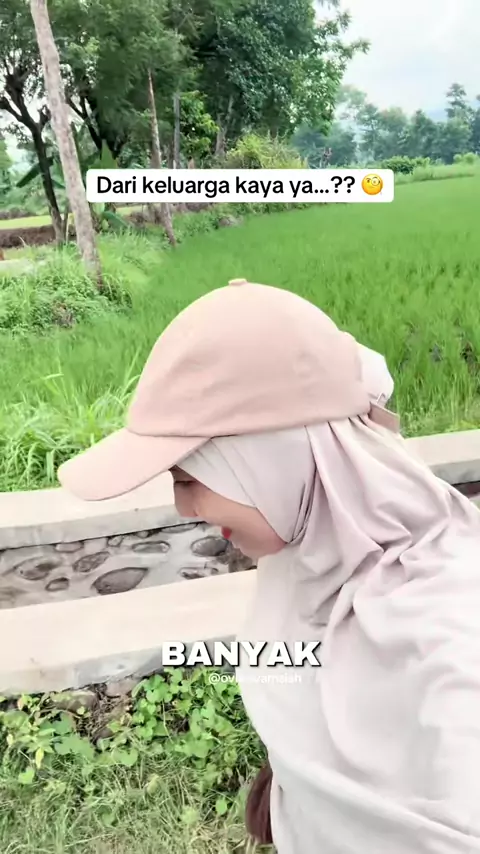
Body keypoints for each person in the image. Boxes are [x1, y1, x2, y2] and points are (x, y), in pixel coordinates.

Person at [59, 279, 480, 854]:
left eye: (190, 479)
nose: (184, 508)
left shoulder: (450, 629)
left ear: (272, 462)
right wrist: (294, 780)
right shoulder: (309, 549)